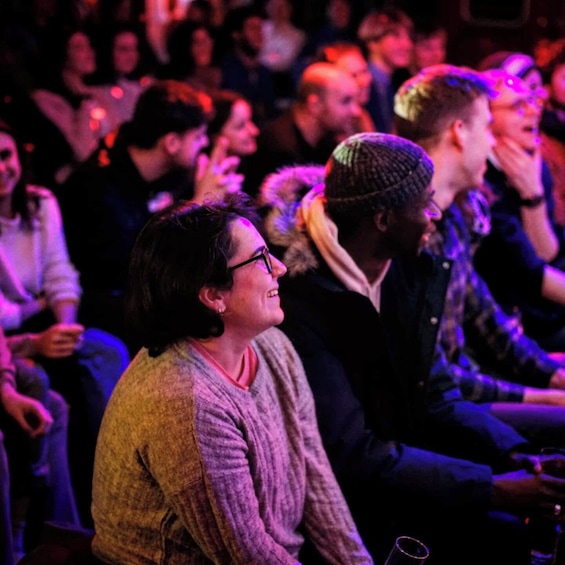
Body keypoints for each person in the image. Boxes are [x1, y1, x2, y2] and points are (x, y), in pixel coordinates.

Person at [259, 132, 565, 565]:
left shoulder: (403, 264)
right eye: (425, 204)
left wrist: (518, 455)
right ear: (383, 219)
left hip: (399, 464)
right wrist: (493, 488)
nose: (435, 215)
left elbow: (436, 393)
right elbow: (353, 453)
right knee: (503, 536)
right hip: (340, 503)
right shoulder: (300, 300)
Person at [91, 192, 374, 565]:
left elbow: (316, 474)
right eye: (260, 259)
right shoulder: (187, 403)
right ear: (212, 294)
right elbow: (247, 556)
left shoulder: (272, 345)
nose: (280, 268)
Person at [393, 63, 565, 449]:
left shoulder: (453, 212)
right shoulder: (414, 232)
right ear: (458, 132)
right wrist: (544, 397)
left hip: (468, 384)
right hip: (441, 411)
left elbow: (488, 320)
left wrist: (555, 376)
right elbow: (436, 377)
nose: (492, 143)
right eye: (487, 127)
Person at [0, 119, 129, 527]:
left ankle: (124, 479)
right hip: (11, 334)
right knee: (55, 395)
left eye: (5, 155)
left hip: (45, 320)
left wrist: (65, 329)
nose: (0, 168)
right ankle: (66, 526)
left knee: (108, 350)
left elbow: (59, 273)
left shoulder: (39, 203)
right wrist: (34, 340)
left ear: (19, 156)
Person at [58, 79, 243, 356]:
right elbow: (133, 266)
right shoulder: (96, 189)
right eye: (198, 136)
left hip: (149, 295)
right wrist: (196, 206)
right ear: (171, 142)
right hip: (108, 307)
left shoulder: (176, 172)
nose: (205, 143)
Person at [472, 69, 565, 353]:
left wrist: (533, 196)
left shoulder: (531, 164)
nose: (533, 113)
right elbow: (531, 274)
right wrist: (531, 198)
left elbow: (549, 251)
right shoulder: (480, 182)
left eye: (532, 102)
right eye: (517, 106)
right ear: (486, 119)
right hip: (519, 330)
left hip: (546, 313)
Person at [243, 61, 360, 198]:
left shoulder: (326, 141)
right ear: (315, 105)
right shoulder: (279, 146)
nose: (355, 111)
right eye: (345, 101)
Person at [357, 8, 413, 133]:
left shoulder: (390, 85)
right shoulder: (366, 86)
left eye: (408, 37)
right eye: (396, 36)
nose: (407, 44)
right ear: (373, 42)